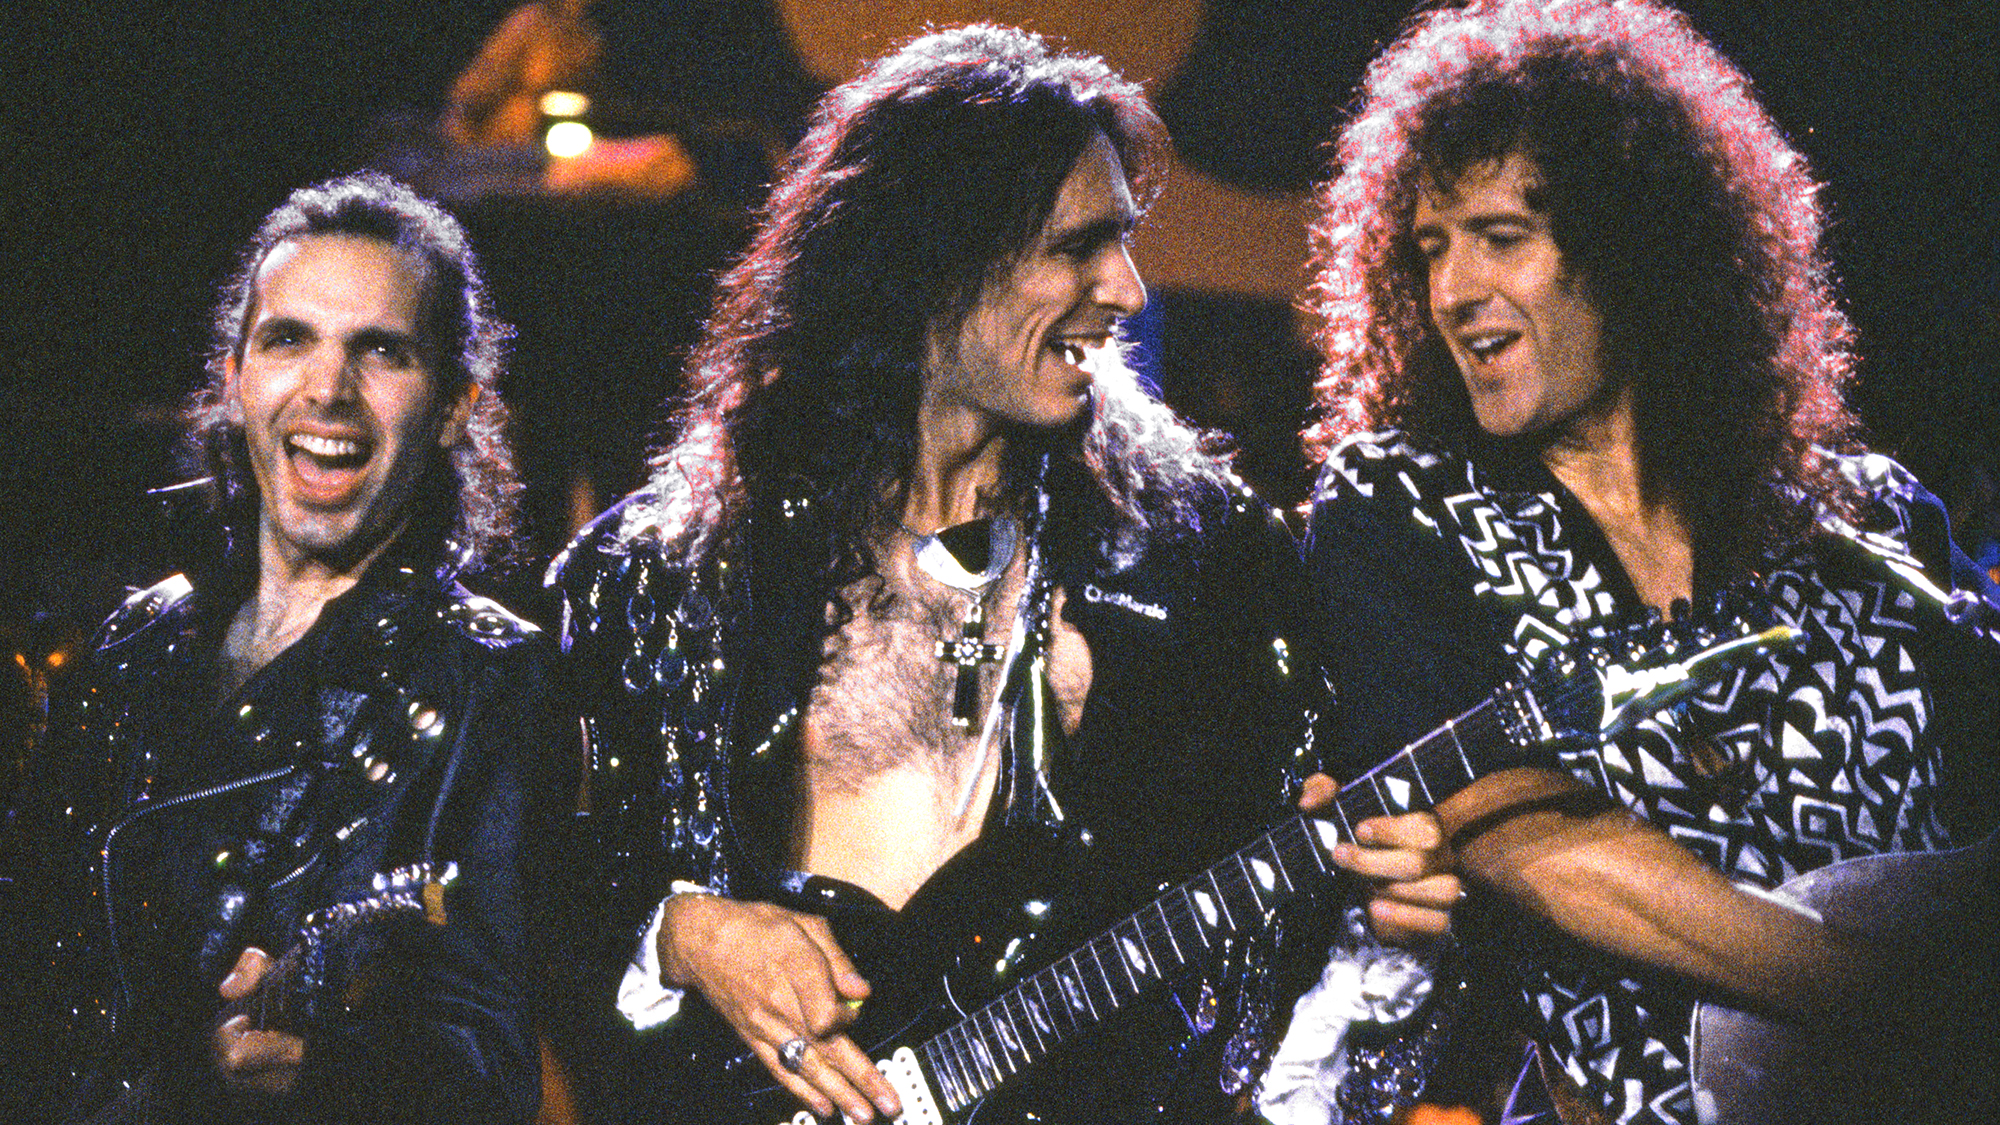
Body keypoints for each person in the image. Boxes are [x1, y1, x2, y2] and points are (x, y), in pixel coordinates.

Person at [548, 24, 1459, 1125]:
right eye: (1078, 246)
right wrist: (684, 934)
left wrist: (1385, 933)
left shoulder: (1208, 572)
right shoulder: (667, 576)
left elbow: (1292, 1009)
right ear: (934, 258)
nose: (1124, 289)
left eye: (1122, 241)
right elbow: (530, 918)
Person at [1302, 2, 2000, 1123]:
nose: (1449, 290)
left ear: (1627, 243)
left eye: (1499, 235)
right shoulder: (1400, 506)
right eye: (1428, 248)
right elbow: (1506, 825)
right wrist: (1883, 998)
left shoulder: (1855, 521)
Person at [15, 172, 566, 1124]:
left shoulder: (494, 680)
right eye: (288, 339)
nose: (327, 389)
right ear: (234, 380)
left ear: (453, 406)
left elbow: (502, 1067)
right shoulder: (138, 641)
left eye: (381, 351)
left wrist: (342, 1069)